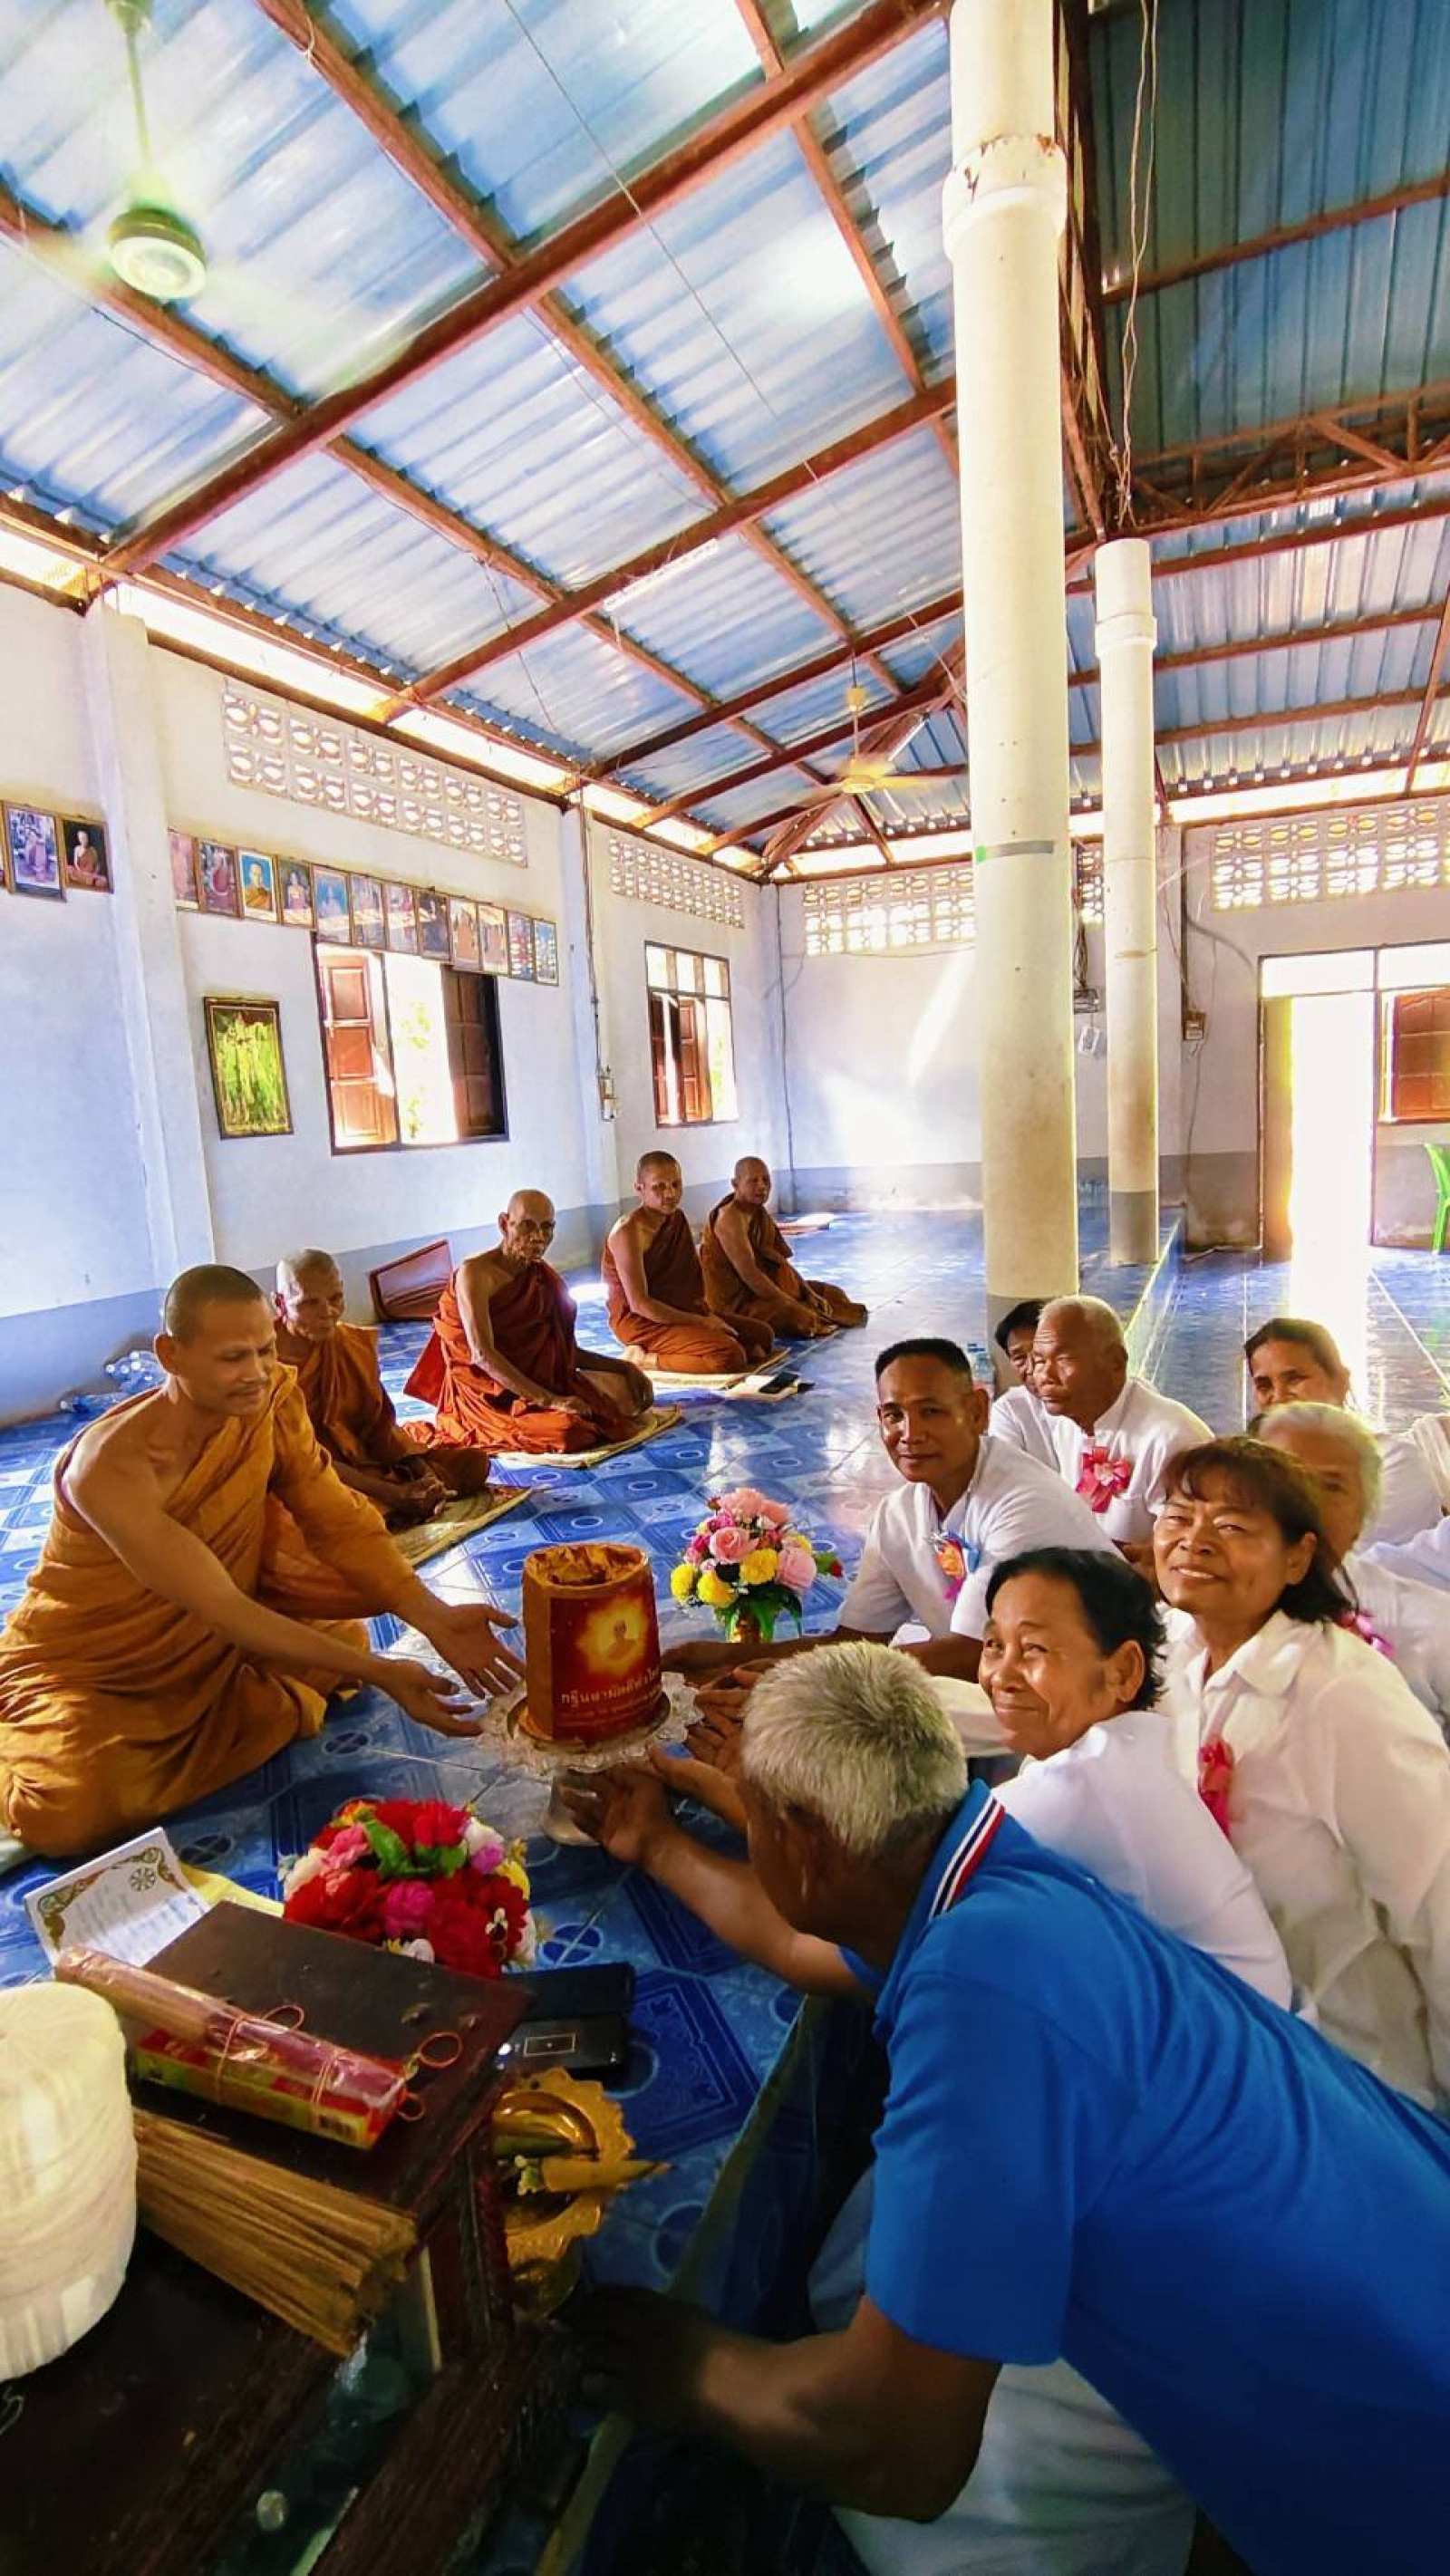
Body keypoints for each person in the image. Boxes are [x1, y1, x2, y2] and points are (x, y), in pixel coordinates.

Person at [575, 1644, 1450, 2576]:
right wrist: (660, 1843)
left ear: (804, 1842)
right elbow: (796, 1935)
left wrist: (689, 2363)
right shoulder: (984, 1869)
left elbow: (893, 2448)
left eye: (757, 1820)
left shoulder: (977, 1986)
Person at [0, 1266, 522, 1860]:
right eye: (231, 1358)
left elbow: (336, 1518)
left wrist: (434, 1615)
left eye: (265, 1349)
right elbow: (222, 1606)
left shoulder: (271, 1395)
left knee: (339, 1645)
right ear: (171, 1354)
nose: (255, 1372)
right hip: (94, 1665)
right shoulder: (109, 1467)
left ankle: (236, 1696)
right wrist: (383, 1672)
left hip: (214, 1637)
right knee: (68, 1810)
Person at [1155, 1436, 1450, 2106]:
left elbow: (1438, 1904)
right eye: (1178, 1515)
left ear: (1298, 1557)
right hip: (1230, 2056)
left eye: (1232, 1526)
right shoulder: (1175, 1656)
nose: (1194, 1540)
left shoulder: (1339, 1695)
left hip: (1359, 2076)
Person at [664, 1340, 1117, 1693]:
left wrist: (800, 1678)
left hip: (1081, 1687)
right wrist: (730, 1659)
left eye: (932, 1412)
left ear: (977, 1412)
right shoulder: (899, 1513)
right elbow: (857, 1639)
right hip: (998, 1683)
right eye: (893, 1415)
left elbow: (971, 1656)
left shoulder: (1020, 1501)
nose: (910, 1434)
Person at [405, 1193, 652, 1455]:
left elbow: (565, 1352)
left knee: (633, 1395)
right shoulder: (476, 1274)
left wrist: (623, 1367)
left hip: (536, 1383)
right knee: (569, 1432)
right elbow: (482, 1355)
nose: (538, 1237)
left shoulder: (541, 1278)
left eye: (547, 1227)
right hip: (490, 1396)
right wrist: (552, 1401)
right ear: (504, 1224)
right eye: (527, 1225)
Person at [1252, 1403, 1450, 1728]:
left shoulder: (1429, 1627)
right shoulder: (1196, 1618)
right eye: (1284, 1477)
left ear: (1365, 1514)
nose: (1305, 1499)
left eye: (1331, 1486)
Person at [275, 1251, 490, 1527]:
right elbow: (299, 1459)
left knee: (473, 1464)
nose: (327, 1312)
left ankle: (394, 1502)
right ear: (280, 1303)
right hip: (308, 1476)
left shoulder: (351, 1345)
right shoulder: (265, 1367)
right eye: (309, 1303)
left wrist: (423, 1474)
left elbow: (380, 1424)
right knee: (328, 1512)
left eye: (335, 1299)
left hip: (362, 1463)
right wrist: (395, 1493)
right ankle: (386, 1505)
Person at [1243, 1315, 1444, 1545]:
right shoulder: (1251, 1471)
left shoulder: (1394, 1462)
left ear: (1341, 1381)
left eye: (1295, 1379)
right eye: (1264, 1385)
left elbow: (1328, 1557)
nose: (1279, 1397)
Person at [1032, 1297, 1209, 1549]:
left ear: (1115, 1362)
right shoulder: (1066, 1424)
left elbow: (1183, 1548)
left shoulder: (1170, 1438)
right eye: (1039, 1361)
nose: (1045, 1376)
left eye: (1063, 1359)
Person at [603, 1153, 775, 1375]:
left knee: (762, 1336)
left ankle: (685, 1346)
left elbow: (688, 1281)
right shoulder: (628, 1233)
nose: (670, 1194)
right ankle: (645, 1359)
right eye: (659, 1187)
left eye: (676, 1184)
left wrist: (704, 1315)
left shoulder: (677, 1219)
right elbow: (640, 1304)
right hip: (641, 1322)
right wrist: (702, 1323)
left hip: (676, 1311)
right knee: (729, 1356)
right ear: (640, 1188)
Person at [700, 1158, 866, 1340]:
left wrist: (808, 1293)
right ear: (735, 1184)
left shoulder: (758, 1214)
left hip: (765, 1292)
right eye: (753, 1181)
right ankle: (811, 1315)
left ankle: (813, 1311)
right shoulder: (729, 1220)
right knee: (799, 1316)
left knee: (832, 1294)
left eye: (766, 1180)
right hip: (737, 1304)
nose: (762, 1186)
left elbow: (780, 1262)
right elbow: (751, 1275)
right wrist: (791, 1302)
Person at [985, 1298, 1055, 1465]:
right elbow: (1011, 1478)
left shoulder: (1093, 1405)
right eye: (1019, 1358)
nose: (1032, 1368)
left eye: (1040, 1353)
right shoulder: (1009, 1410)